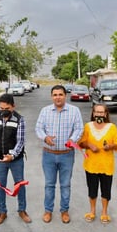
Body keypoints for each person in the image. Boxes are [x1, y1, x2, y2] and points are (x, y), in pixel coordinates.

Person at [35, 85, 84, 224]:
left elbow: (79, 128)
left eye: (60, 94)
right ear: (52, 96)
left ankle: (64, 211)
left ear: (65, 96)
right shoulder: (45, 111)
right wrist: (45, 138)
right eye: (55, 94)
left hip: (67, 154)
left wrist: (72, 140)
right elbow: (38, 128)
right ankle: (48, 210)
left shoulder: (74, 111)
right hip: (48, 154)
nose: (58, 97)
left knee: (65, 184)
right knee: (49, 184)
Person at [0, 93, 31, 226]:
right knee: (0, 185)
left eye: (7, 108)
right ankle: (2, 211)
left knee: (19, 184)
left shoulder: (19, 119)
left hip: (15, 160)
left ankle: (22, 210)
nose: (4, 111)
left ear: (13, 106)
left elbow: (20, 141)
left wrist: (12, 155)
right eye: (1, 108)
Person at [78, 104, 117, 224]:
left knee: (106, 190)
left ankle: (104, 212)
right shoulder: (88, 126)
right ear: (93, 113)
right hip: (91, 164)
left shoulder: (111, 127)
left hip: (106, 165)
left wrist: (110, 146)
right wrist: (89, 145)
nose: (99, 114)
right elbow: (81, 142)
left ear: (106, 114)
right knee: (92, 189)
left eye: (102, 112)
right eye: (97, 112)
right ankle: (92, 211)